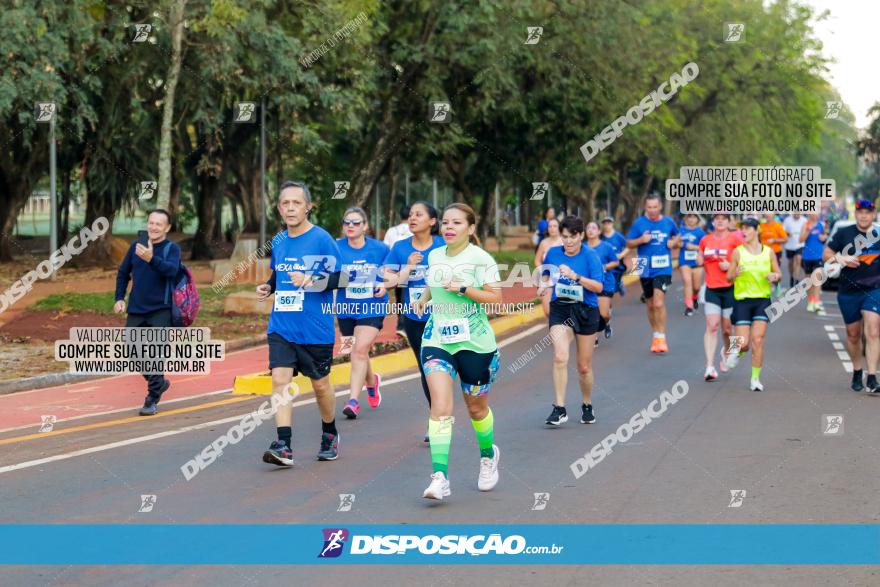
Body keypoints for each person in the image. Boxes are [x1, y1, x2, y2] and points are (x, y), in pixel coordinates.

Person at [412, 203, 503, 500]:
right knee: (440, 405)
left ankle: (488, 456)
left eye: (457, 223)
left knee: (476, 407)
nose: (448, 227)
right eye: (446, 223)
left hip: (474, 343)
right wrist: (424, 299)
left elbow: (495, 298)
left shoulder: (481, 259)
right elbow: (432, 281)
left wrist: (464, 289)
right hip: (437, 338)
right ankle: (440, 477)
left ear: (471, 228)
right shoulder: (435, 255)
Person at [257, 181, 343, 466]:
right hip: (282, 326)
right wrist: (269, 287)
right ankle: (284, 445)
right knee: (280, 380)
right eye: (285, 203)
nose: (291, 208)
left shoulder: (321, 239)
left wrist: (311, 280)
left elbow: (342, 279)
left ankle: (330, 433)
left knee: (320, 386)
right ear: (279, 208)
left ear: (308, 207)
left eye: (297, 203)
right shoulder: (280, 241)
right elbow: (278, 276)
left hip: (315, 329)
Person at [383, 201, 445, 440]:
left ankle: (442, 413)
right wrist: (408, 267)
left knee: (444, 369)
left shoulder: (442, 245)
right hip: (415, 318)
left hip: (444, 317)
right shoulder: (399, 248)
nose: (412, 218)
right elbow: (389, 281)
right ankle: (436, 418)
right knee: (427, 368)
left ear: (432, 221)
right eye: (410, 215)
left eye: (419, 215)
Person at [539, 216, 604, 427]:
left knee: (583, 366)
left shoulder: (591, 256)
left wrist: (576, 277)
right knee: (560, 356)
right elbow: (547, 275)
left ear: (581, 236)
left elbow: (598, 287)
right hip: (562, 307)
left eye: (572, 237)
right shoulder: (553, 252)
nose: (568, 241)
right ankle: (559, 408)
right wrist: (544, 286)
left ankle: (587, 404)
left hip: (586, 309)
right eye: (565, 237)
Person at [114, 209, 181, 416]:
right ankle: (159, 382)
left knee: (154, 354)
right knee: (131, 351)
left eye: (158, 224)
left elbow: (172, 271)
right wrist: (119, 298)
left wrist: (151, 258)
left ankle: (151, 398)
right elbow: (123, 273)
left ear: (167, 228)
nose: (153, 227)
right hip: (136, 308)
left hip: (161, 309)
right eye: (151, 223)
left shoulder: (172, 248)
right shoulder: (136, 247)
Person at [336, 207, 389, 419]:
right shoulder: (335, 247)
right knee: (356, 351)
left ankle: (353, 401)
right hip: (346, 306)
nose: (350, 226)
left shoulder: (380, 249)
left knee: (359, 351)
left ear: (365, 226)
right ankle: (371, 382)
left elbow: (391, 273)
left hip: (372, 305)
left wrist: (385, 285)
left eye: (356, 222)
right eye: (347, 222)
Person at [823, 199, 880, 393]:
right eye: (860, 212)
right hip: (848, 291)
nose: (864, 215)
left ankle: (872, 377)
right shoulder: (844, 233)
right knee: (853, 335)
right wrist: (840, 258)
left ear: (873, 215)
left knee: (873, 330)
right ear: (855, 214)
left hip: (874, 290)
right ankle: (857, 370)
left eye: (868, 212)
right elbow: (826, 253)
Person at [724, 217, 782, 391]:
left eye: (748, 229)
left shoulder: (769, 252)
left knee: (758, 340)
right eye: (743, 229)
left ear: (757, 230)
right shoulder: (737, 252)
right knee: (744, 343)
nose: (744, 232)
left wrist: (775, 277)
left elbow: (778, 274)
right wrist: (735, 272)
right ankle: (736, 350)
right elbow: (728, 277)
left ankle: (755, 379)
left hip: (762, 300)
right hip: (742, 300)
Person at [626, 194, 681, 353]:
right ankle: (655, 334)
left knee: (658, 303)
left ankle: (661, 337)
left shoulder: (668, 222)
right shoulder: (639, 223)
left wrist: (674, 242)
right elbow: (629, 243)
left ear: (660, 207)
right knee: (650, 304)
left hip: (663, 266)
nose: (652, 210)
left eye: (655, 207)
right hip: (642, 264)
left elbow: (677, 236)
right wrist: (640, 240)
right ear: (645, 207)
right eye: (649, 207)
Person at [698, 213, 742, 381]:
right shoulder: (705, 240)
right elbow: (700, 256)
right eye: (717, 218)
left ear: (729, 221)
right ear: (713, 221)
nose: (720, 220)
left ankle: (727, 352)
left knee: (727, 329)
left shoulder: (736, 240)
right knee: (712, 326)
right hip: (711, 288)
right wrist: (699, 258)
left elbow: (745, 266)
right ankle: (709, 366)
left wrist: (731, 267)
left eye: (724, 218)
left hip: (731, 289)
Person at [586, 221, 619, 340]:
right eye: (588, 228)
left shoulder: (606, 247)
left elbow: (616, 262)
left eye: (594, 228)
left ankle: (607, 322)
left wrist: (604, 267)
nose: (590, 230)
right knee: (591, 312)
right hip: (588, 284)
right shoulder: (582, 247)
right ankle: (593, 338)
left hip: (605, 283)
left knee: (603, 314)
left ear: (599, 231)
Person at [383, 203, 413, 314]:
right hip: (413, 266)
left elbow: (385, 248)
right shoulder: (414, 230)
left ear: (400, 216)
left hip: (395, 267)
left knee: (399, 294)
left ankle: (401, 321)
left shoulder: (391, 231)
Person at [678, 213, 706, 316]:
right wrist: (681, 244)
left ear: (697, 219)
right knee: (687, 282)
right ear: (685, 218)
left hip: (697, 262)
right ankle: (689, 307)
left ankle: (694, 297)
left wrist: (694, 248)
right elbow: (675, 243)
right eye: (689, 216)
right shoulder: (681, 231)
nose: (691, 219)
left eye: (694, 217)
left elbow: (705, 247)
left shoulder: (700, 232)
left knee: (697, 287)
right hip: (684, 262)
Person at [535, 217, 563, 317]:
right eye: (550, 226)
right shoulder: (544, 243)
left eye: (554, 226)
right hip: (547, 278)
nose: (552, 228)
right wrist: (544, 269)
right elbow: (537, 260)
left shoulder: (565, 241)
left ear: (559, 227)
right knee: (547, 311)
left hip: (563, 279)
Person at [799, 214, 827, 312]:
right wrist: (808, 230)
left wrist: (823, 237)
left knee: (818, 279)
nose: (814, 214)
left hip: (818, 255)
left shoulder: (821, 225)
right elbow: (800, 240)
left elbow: (825, 236)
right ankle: (810, 301)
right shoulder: (805, 225)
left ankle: (816, 301)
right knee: (809, 281)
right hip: (807, 256)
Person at [600, 216, 630, 298]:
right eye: (605, 223)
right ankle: (608, 307)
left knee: (613, 287)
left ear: (612, 224)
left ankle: (619, 284)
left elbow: (628, 246)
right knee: (607, 288)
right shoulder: (601, 237)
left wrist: (621, 255)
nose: (607, 225)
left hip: (617, 265)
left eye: (608, 223)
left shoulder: (618, 236)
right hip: (606, 265)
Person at [759, 213, 787, 297]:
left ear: (773, 215)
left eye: (770, 213)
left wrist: (774, 240)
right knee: (764, 270)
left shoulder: (778, 226)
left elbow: (785, 239)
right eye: (766, 213)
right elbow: (757, 238)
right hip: (763, 252)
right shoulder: (761, 226)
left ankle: (777, 287)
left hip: (776, 252)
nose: (768, 215)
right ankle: (766, 289)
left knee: (775, 271)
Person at [782, 213, 808, 289]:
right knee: (790, 263)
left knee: (798, 261)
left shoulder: (804, 220)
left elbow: (806, 231)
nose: (797, 214)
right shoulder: (787, 220)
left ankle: (796, 279)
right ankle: (791, 277)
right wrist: (787, 233)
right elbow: (783, 230)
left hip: (800, 244)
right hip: (789, 245)